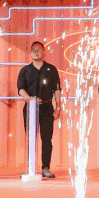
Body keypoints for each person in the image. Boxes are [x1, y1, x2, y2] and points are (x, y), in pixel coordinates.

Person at [16, 41, 62, 178]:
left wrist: (58, 107)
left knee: (47, 139)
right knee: (31, 138)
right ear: (30, 53)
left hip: (47, 107)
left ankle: (46, 168)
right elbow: (20, 89)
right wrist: (29, 99)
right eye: (34, 50)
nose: (36, 52)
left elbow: (57, 89)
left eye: (39, 50)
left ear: (44, 52)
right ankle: (30, 168)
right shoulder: (25, 70)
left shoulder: (51, 69)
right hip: (31, 108)